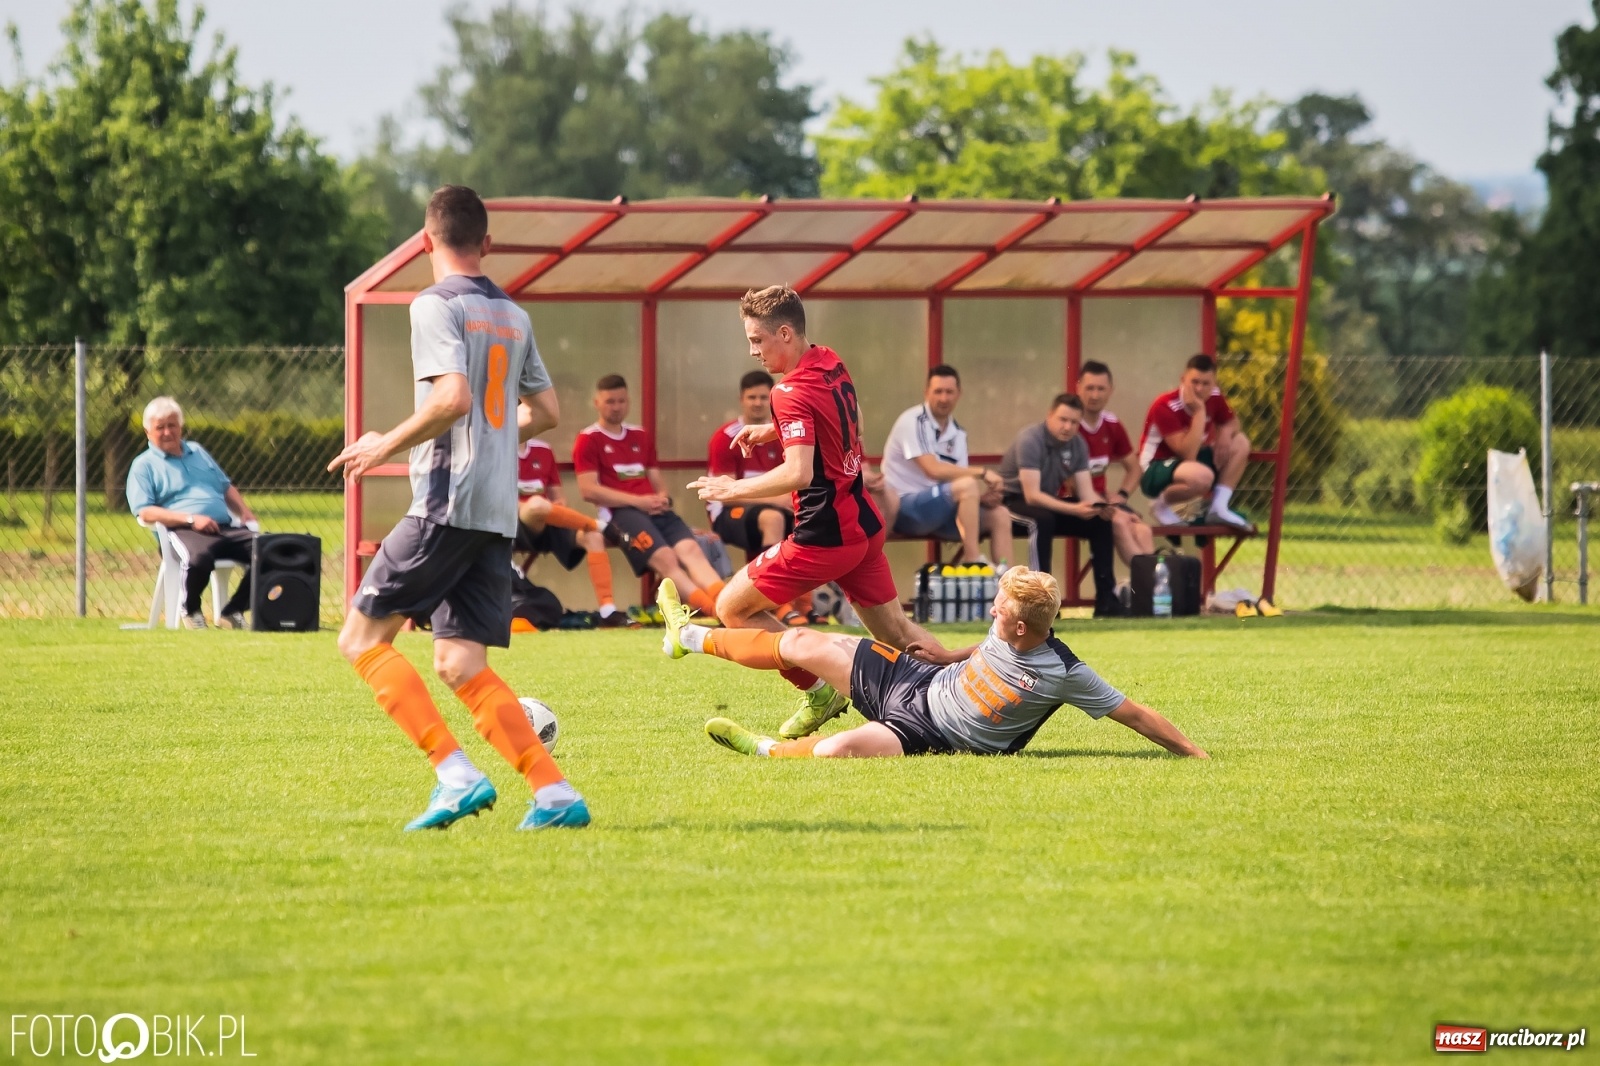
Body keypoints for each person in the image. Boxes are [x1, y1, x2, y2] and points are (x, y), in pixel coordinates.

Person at [329, 184, 589, 833]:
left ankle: (456, 775)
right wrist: (494, 442)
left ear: (426, 240)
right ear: (488, 243)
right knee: (460, 662)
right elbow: (548, 413)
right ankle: (555, 795)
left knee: (360, 637)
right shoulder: (512, 315)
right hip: (497, 508)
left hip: (447, 501)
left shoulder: (434, 304)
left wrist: (381, 443)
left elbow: (452, 399)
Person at [688, 284, 942, 740]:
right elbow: (854, 424)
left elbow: (799, 473)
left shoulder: (786, 391)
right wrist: (776, 429)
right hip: (863, 522)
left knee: (732, 609)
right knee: (899, 633)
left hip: (824, 535)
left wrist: (734, 488)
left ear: (784, 333)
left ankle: (820, 689)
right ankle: (960, 697)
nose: (753, 351)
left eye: (757, 340)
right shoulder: (828, 358)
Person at [655, 568, 1207, 761]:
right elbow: (983, 651)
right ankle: (690, 636)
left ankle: (764, 750)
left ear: (1023, 627)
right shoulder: (1003, 629)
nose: (991, 612)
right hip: (918, 680)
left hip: (926, 732)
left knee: (842, 750)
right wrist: (945, 654)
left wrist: (1192, 751)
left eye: (1000, 610)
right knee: (804, 643)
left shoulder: (1063, 671)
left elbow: (1133, 714)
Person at [573, 374, 727, 618]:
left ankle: (727, 603)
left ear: (629, 402)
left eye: (621, 401)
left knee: (692, 550)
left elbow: (656, 478)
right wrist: (639, 502)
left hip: (654, 509)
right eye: (610, 401)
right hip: (620, 516)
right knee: (666, 559)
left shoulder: (640, 435)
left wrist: (662, 497)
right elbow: (588, 490)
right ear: (596, 403)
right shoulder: (588, 439)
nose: (616, 407)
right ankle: (715, 612)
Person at [127, 396, 260, 630]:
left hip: (223, 528)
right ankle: (191, 610)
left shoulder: (197, 451)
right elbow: (145, 512)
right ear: (147, 431)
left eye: (172, 425)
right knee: (199, 558)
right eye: (160, 427)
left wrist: (245, 513)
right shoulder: (143, 465)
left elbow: (225, 486)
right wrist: (190, 519)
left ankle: (233, 611)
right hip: (181, 530)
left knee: (270, 550)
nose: (168, 432)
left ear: (181, 427)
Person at [878, 364, 1013, 568]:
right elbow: (932, 470)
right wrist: (983, 472)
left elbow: (958, 483)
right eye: (938, 391)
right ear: (926, 393)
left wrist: (982, 498)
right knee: (968, 485)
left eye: (949, 392)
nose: (944, 398)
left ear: (959, 394)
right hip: (905, 509)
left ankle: (1010, 583)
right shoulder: (913, 421)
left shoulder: (958, 433)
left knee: (1000, 515)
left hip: (940, 512)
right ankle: (972, 562)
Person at [998, 394, 1119, 617]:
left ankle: (1107, 602)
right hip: (1012, 503)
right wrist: (1076, 509)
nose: (1068, 427)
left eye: (1074, 422)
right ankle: (1040, 603)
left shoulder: (1078, 444)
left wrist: (1101, 507)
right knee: (1041, 520)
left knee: (1099, 521)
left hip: (1046, 504)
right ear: (1049, 416)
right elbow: (1031, 495)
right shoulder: (1031, 439)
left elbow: (1086, 492)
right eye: (1063, 420)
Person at [706, 369, 811, 625]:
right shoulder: (726, 437)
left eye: (764, 398)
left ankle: (805, 605)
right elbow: (725, 496)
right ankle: (777, 604)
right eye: (752, 397)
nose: (758, 403)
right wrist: (776, 500)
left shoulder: (786, 434)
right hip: (729, 512)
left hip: (778, 507)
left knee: (811, 518)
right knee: (772, 518)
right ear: (741, 399)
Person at [512, 429, 629, 626]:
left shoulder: (543, 449)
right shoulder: (496, 450)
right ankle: (599, 525)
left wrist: (553, 509)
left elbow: (559, 498)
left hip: (547, 521)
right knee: (535, 505)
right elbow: (503, 503)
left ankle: (608, 612)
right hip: (511, 524)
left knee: (592, 537)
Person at [1138, 354, 1253, 531]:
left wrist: (1225, 432)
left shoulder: (1214, 396)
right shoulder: (1165, 405)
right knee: (1202, 477)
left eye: (1206, 383)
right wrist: (1199, 412)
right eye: (1194, 382)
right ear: (1183, 380)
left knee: (1241, 442)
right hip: (1156, 467)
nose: (1199, 389)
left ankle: (1218, 507)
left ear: (1214, 383)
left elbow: (1233, 422)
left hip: (1189, 465)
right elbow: (1187, 453)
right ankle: (1159, 504)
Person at [1074, 361, 1154, 565]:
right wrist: (1108, 504)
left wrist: (1122, 495)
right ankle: (1149, 584)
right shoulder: (1070, 424)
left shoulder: (1112, 424)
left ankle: (1149, 588)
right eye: (1089, 388)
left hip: (1104, 501)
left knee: (1143, 530)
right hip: (1072, 503)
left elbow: (1135, 468)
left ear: (1110, 390)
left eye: (1101, 389)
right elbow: (1068, 482)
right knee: (1119, 521)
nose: (1094, 395)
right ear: (1078, 388)